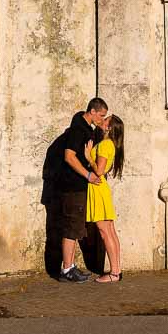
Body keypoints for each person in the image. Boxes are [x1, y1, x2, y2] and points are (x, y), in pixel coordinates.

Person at [57, 97, 107, 283]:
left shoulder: (85, 128)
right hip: (73, 186)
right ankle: (67, 269)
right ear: (92, 111)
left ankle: (69, 266)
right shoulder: (79, 129)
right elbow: (69, 157)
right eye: (101, 116)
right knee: (71, 227)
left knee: (75, 227)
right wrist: (88, 175)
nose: (102, 119)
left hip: (77, 186)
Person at [85, 113, 125, 283]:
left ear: (109, 128)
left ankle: (114, 273)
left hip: (97, 188)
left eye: (105, 120)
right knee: (109, 231)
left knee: (104, 231)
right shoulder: (109, 144)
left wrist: (88, 157)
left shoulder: (105, 145)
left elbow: (99, 171)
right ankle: (117, 270)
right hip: (102, 189)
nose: (102, 120)